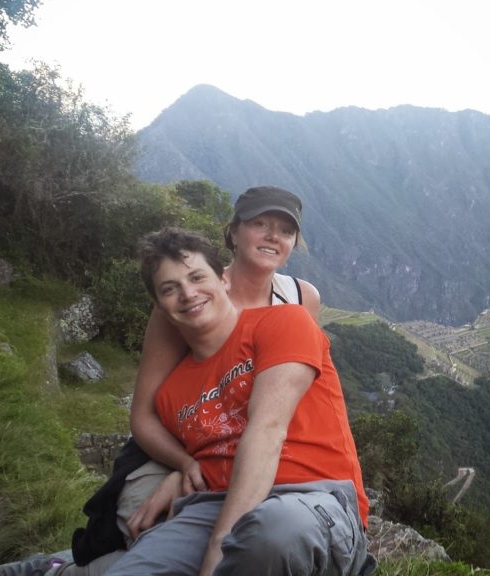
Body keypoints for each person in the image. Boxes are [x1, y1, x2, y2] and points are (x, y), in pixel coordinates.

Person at [104, 227, 372, 575]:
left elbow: (267, 429)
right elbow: (194, 448)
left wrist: (219, 547)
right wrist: (183, 468)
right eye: (170, 289)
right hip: (214, 504)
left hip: (308, 497)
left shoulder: (284, 321)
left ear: (224, 281)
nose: (188, 293)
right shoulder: (171, 395)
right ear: (160, 306)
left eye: (198, 277)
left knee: (271, 537)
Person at [130, 186, 322, 501]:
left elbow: (297, 394)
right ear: (233, 233)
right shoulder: (190, 300)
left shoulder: (301, 299)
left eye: (286, 231)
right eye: (260, 224)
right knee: (140, 515)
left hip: (267, 446)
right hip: (187, 444)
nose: (273, 236)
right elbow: (143, 415)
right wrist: (185, 465)